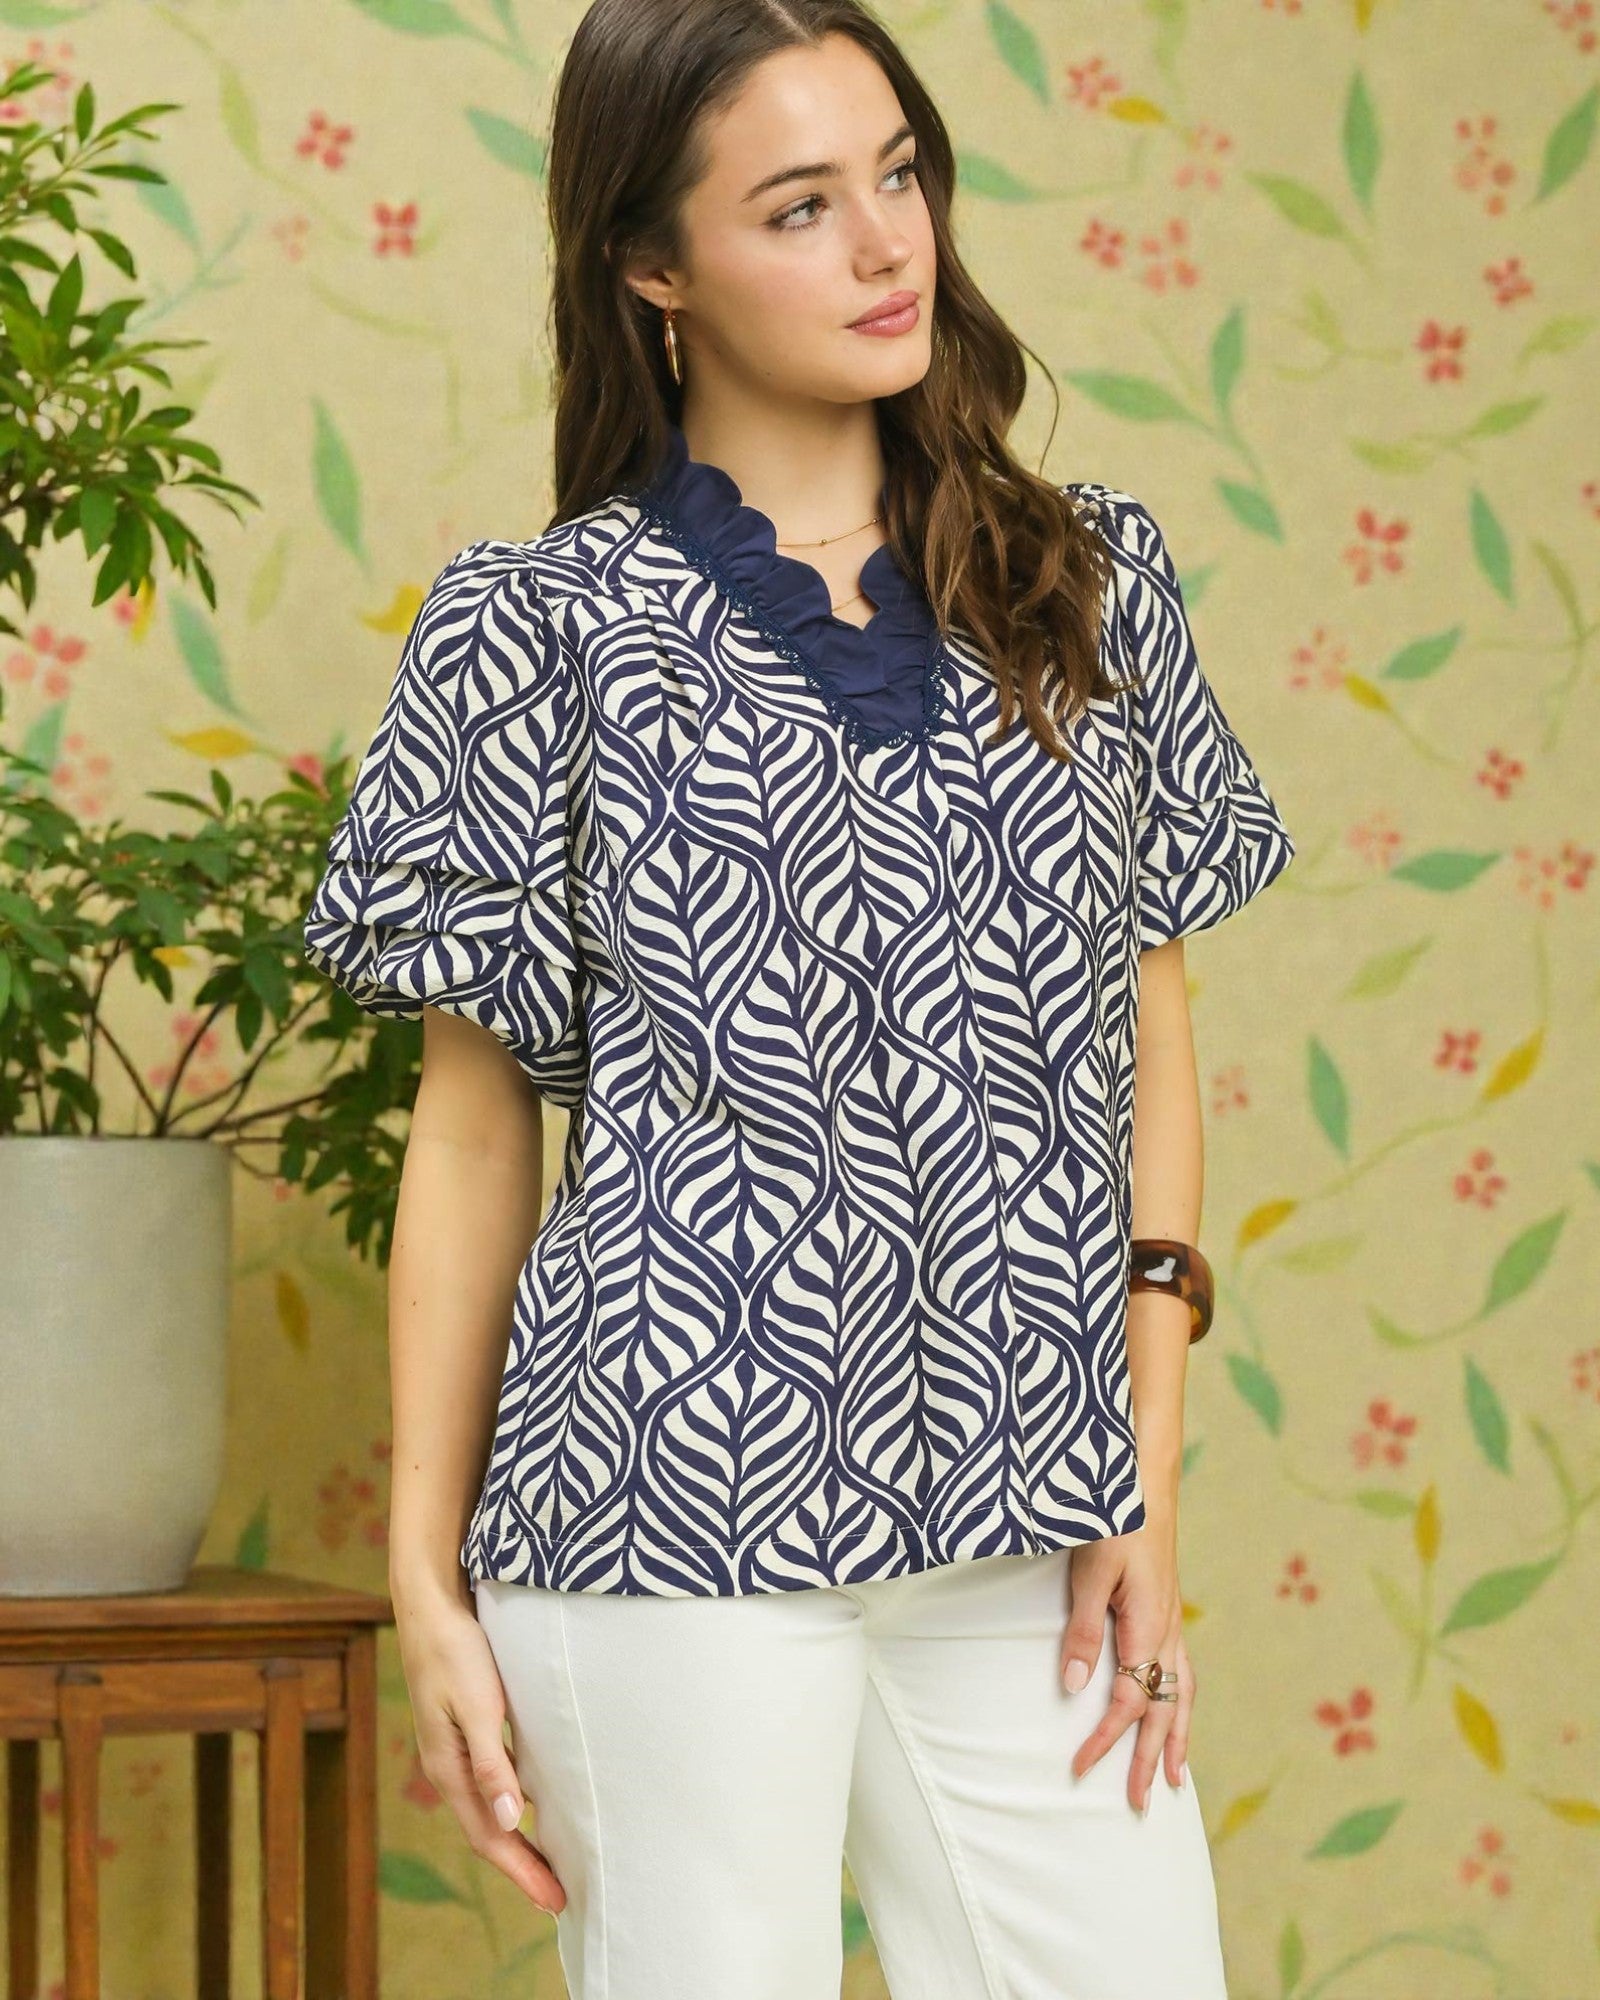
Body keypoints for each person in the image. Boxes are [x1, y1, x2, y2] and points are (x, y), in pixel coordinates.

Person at [301, 3, 1297, 1994]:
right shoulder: (537, 628)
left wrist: (1142, 1463)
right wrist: (424, 1577)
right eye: (798, 204)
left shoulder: (1089, 584)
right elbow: (478, 1126)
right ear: (649, 270)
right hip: (662, 1501)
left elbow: (1145, 1028)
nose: (883, 246)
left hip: (1026, 1502)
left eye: (898, 175)